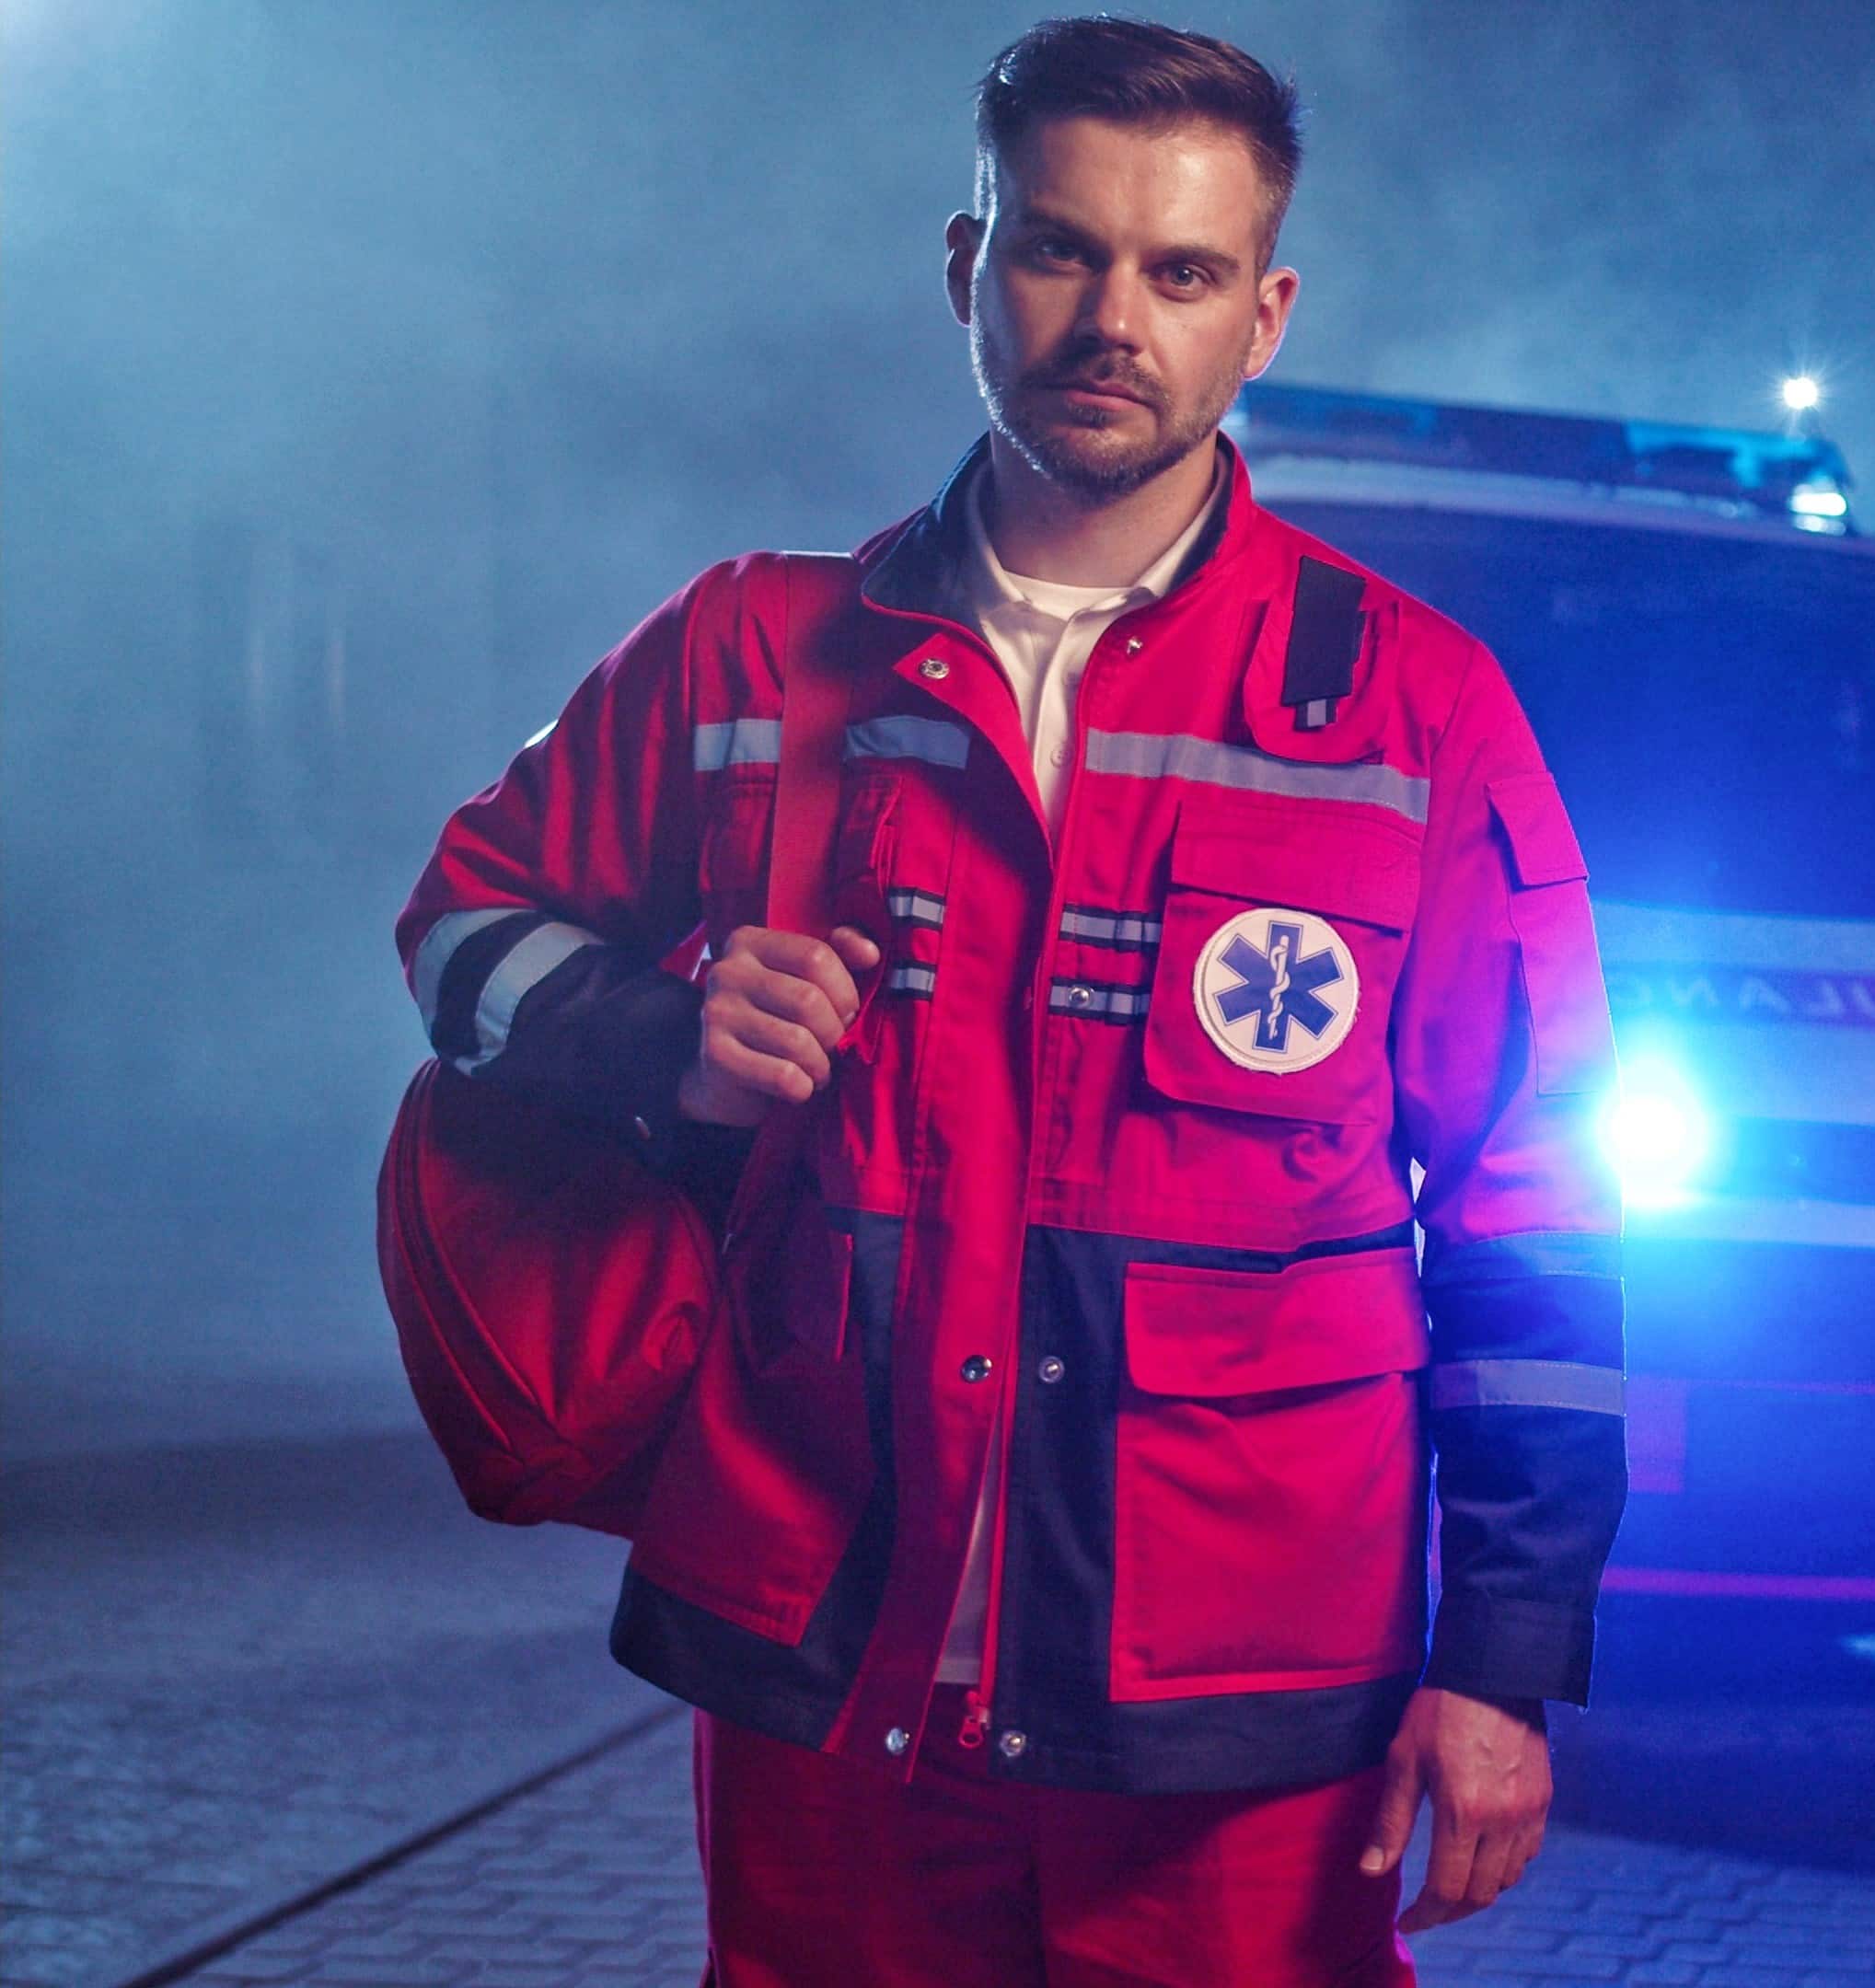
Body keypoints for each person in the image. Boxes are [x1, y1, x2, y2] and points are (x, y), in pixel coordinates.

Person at [394, 19, 1625, 1982]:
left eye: (1183, 270)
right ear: (969, 270)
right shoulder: (743, 652)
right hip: (830, 1662)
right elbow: (460, 929)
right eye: (1059, 249)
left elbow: (1530, 1205)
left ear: (1264, 313)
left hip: (1236, 1705)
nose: (1112, 317)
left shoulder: (1410, 714)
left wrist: (1499, 1665)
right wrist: (656, 1041)